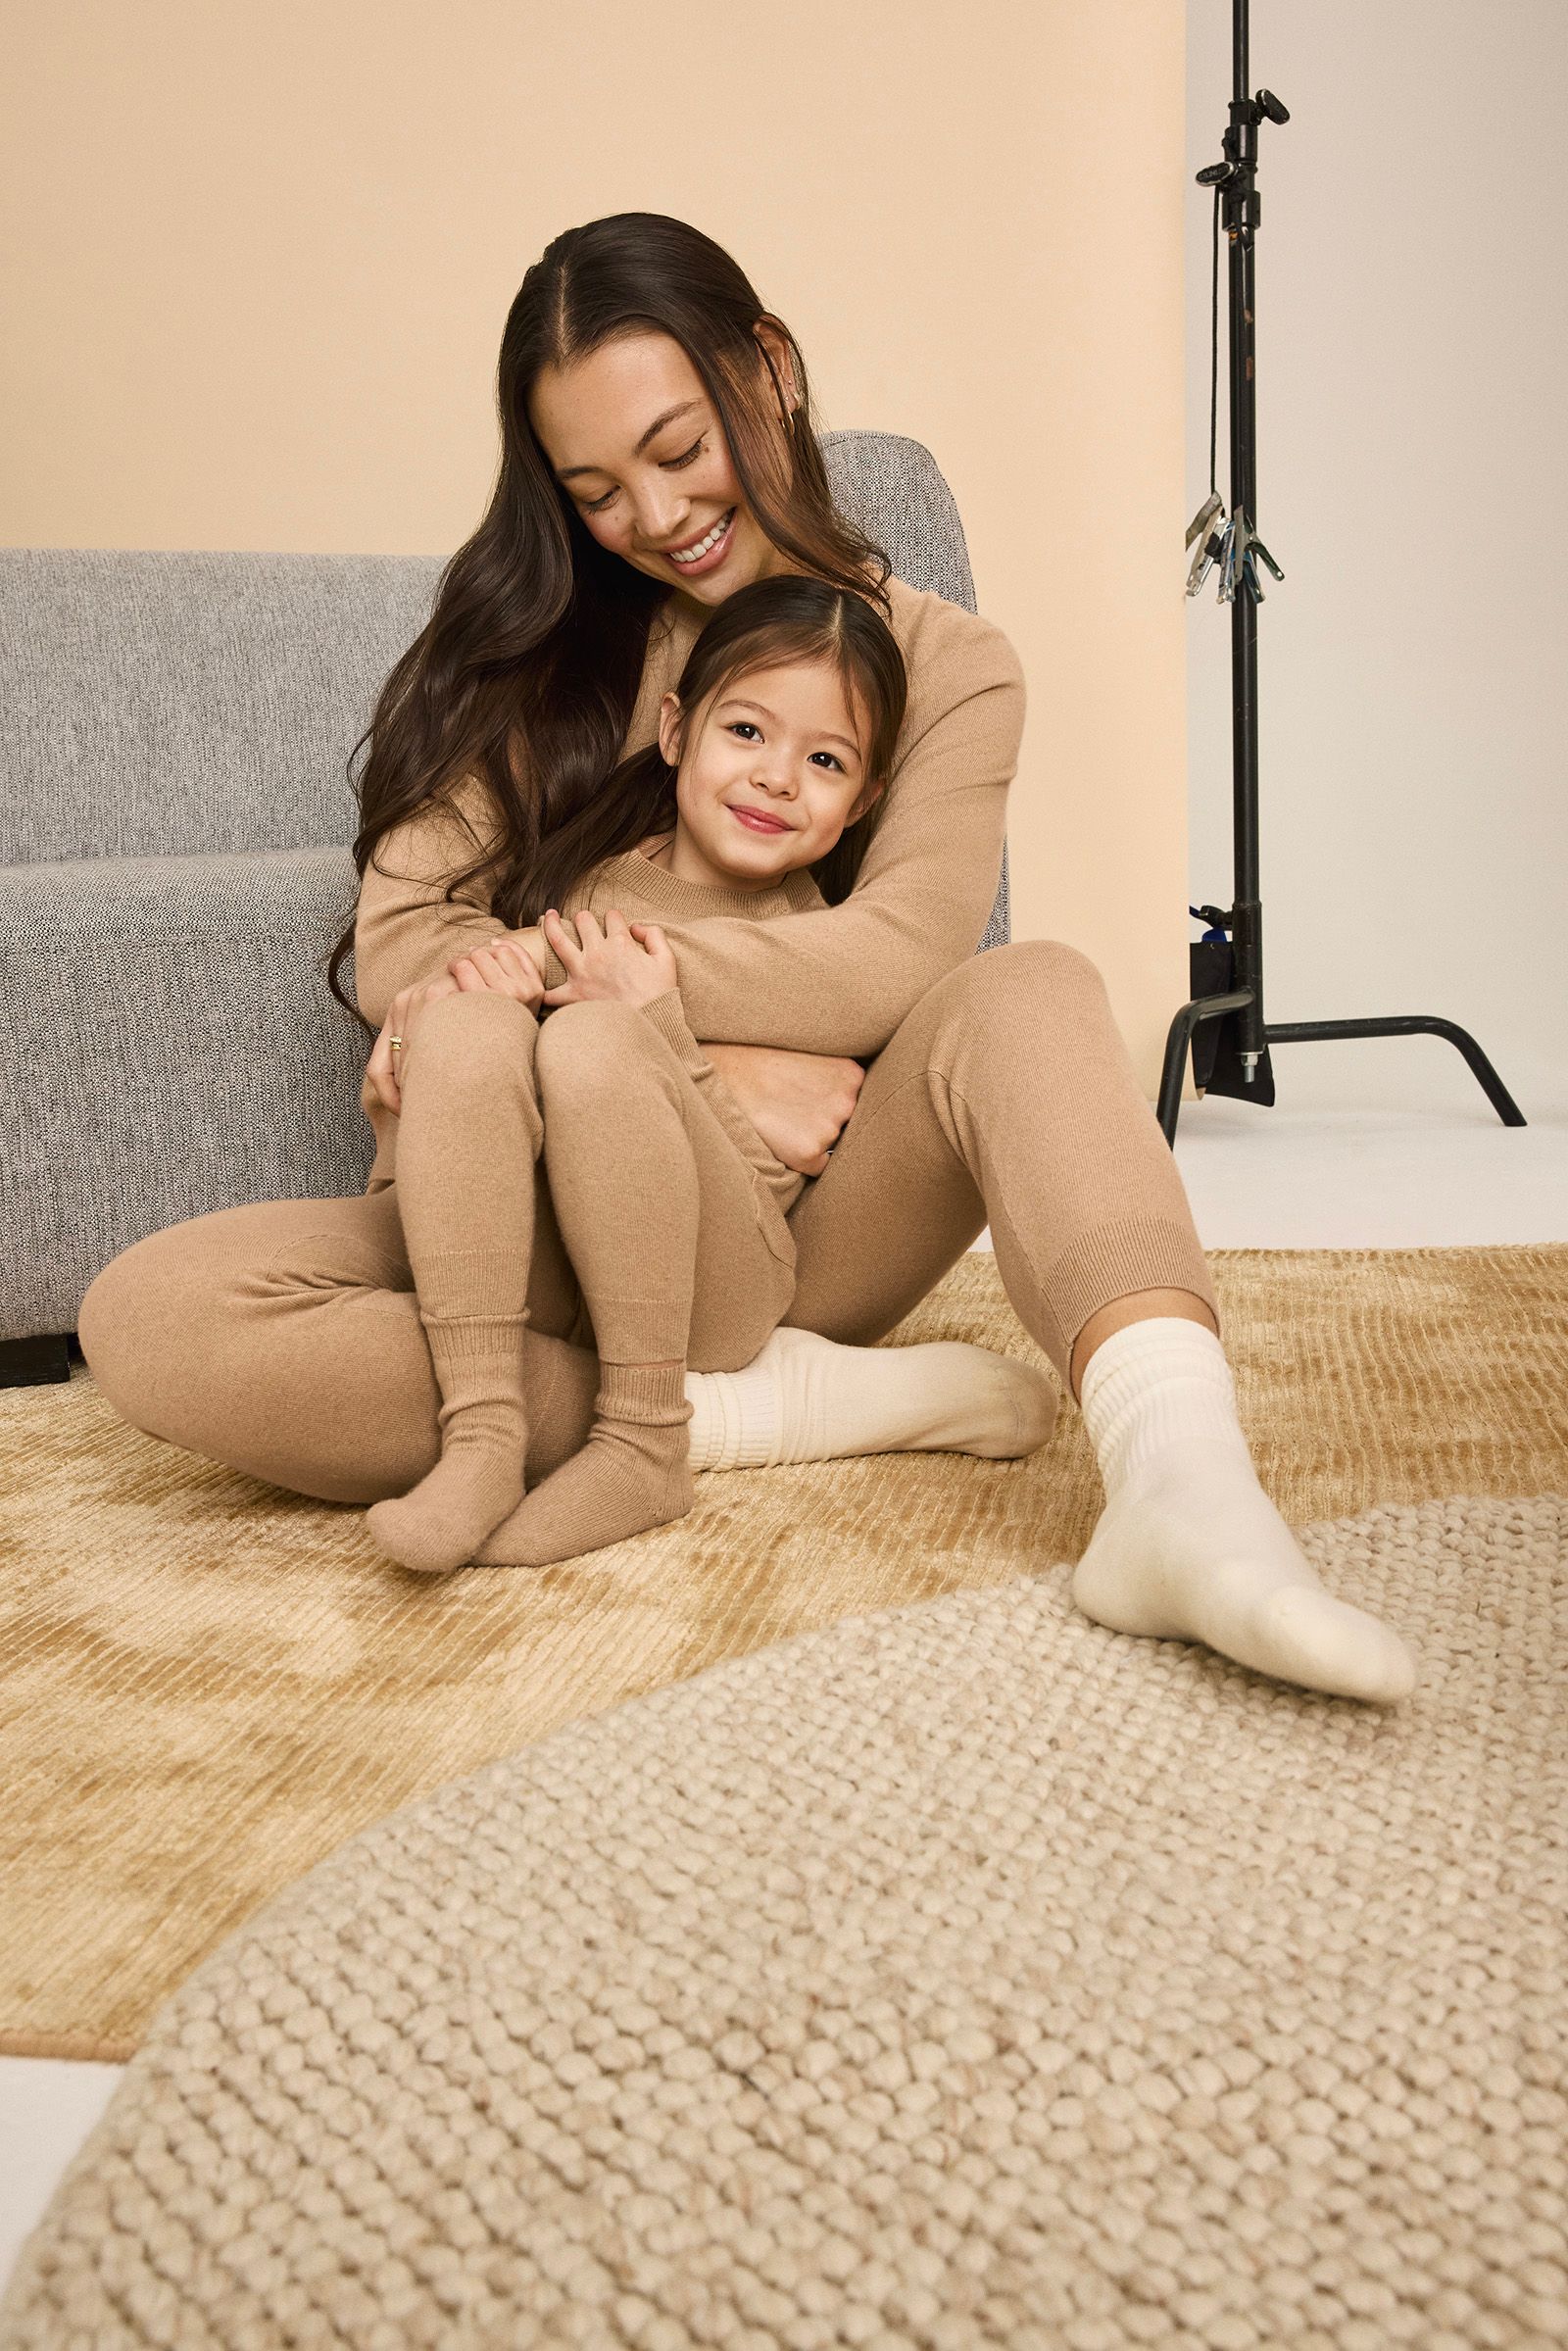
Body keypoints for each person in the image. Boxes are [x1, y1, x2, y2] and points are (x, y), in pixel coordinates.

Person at [77, 211, 1416, 1704]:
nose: (655, 515)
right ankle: (748, 1412)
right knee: (154, 1318)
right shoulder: (544, 649)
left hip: (781, 1228)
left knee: (1030, 986)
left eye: (678, 446)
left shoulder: (952, 666)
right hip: (503, 1219)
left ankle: (1186, 1487)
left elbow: (893, 958)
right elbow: (406, 937)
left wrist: (621, 1016)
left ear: (768, 367)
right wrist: (684, 1048)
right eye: (595, 490)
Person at [365, 572, 1056, 1576]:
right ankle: (481, 1436)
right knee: (466, 1021)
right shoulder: (579, 882)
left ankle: (644, 1438)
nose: (777, 778)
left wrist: (661, 1032)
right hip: (544, 1260)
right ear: (676, 730)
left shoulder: (803, 959)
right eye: (746, 732)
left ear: (863, 800)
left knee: (597, 1038)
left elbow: (772, 1173)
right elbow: (459, 1081)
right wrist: (438, 1043)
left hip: (716, 1286)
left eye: (825, 761)